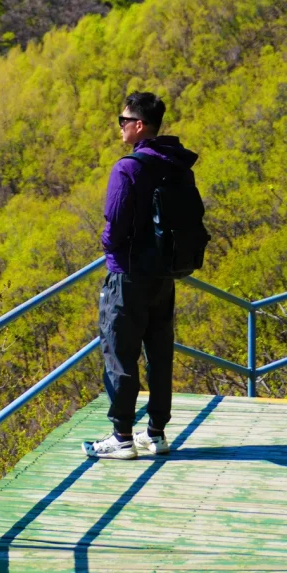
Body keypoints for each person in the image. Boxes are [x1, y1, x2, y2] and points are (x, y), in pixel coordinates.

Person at [82, 91, 205, 461]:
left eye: (123, 121)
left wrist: (108, 247)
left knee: (119, 353)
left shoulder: (128, 168)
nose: (119, 128)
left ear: (139, 125)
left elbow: (114, 222)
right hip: (164, 275)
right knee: (159, 353)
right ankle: (156, 433)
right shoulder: (178, 165)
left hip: (128, 275)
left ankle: (121, 436)